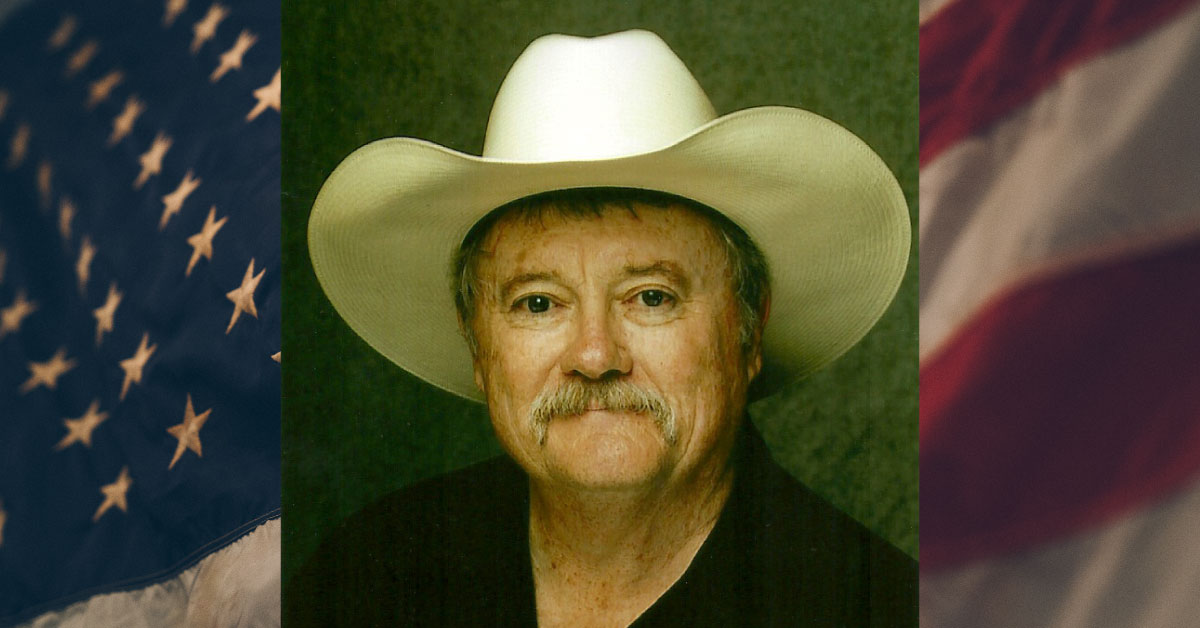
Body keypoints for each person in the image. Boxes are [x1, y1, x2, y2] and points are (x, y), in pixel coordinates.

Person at [290, 30, 915, 626]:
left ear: (749, 329)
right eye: (538, 304)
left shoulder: (876, 607)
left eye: (650, 297)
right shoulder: (365, 578)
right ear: (477, 344)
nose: (595, 355)